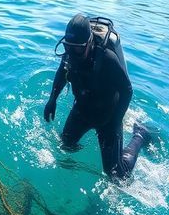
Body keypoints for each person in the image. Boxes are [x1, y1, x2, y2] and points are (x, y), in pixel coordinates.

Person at [43, 14, 150, 180]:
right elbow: (61, 73)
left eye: (78, 49)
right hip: (82, 108)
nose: (72, 52)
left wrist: (116, 121)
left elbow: (127, 90)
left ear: (89, 43)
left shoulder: (107, 58)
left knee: (117, 176)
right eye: (68, 46)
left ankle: (140, 134)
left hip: (108, 115)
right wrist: (52, 100)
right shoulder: (70, 52)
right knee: (66, 146)